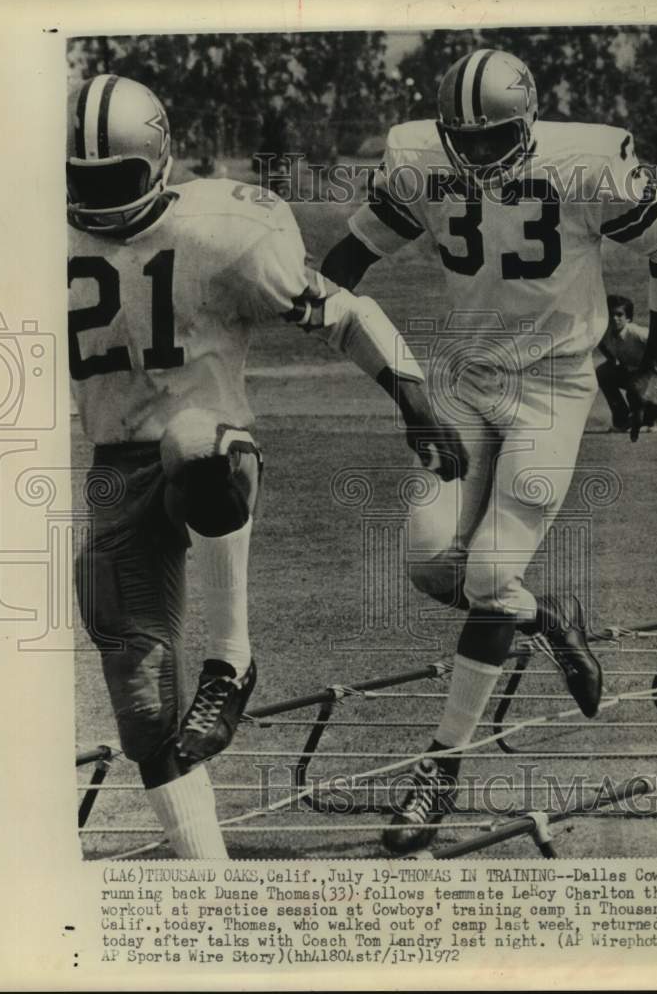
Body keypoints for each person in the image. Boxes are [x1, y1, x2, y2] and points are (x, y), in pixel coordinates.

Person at [67, 74, 466, 858]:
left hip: (215, 451)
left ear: (159, 162)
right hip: (113, 470)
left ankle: (233, 660)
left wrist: (411, 395)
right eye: (83, 182)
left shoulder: (222, 230)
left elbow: (343, 313)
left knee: (193, 443)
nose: (97, 199)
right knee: (143, 702)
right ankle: (211, 887)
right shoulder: (35, 239)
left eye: (113, 178)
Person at [321, 48, 657, 853]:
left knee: (490, 573)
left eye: (494, 138)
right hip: (464, 375)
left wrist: (656, 364)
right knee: (429, 565)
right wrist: (375, 356)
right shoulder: (423, 159)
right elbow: (346, 262)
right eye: (465, 138)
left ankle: (440, 768)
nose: (479, 155)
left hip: (557, 387)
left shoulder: (589, 163)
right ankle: (549, 615)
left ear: (527, 122)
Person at [597, 295, 657, 433]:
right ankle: (622, 420)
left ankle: (656, 416)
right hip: (630, 373)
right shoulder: (603, 333)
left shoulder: (637, 332)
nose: (614, 318)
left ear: (628, 318)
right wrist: (612, 360)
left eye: (619, 315)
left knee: (636, 394)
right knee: (602, 372)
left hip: (652, 376)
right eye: (611, 314)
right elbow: (601, 344)